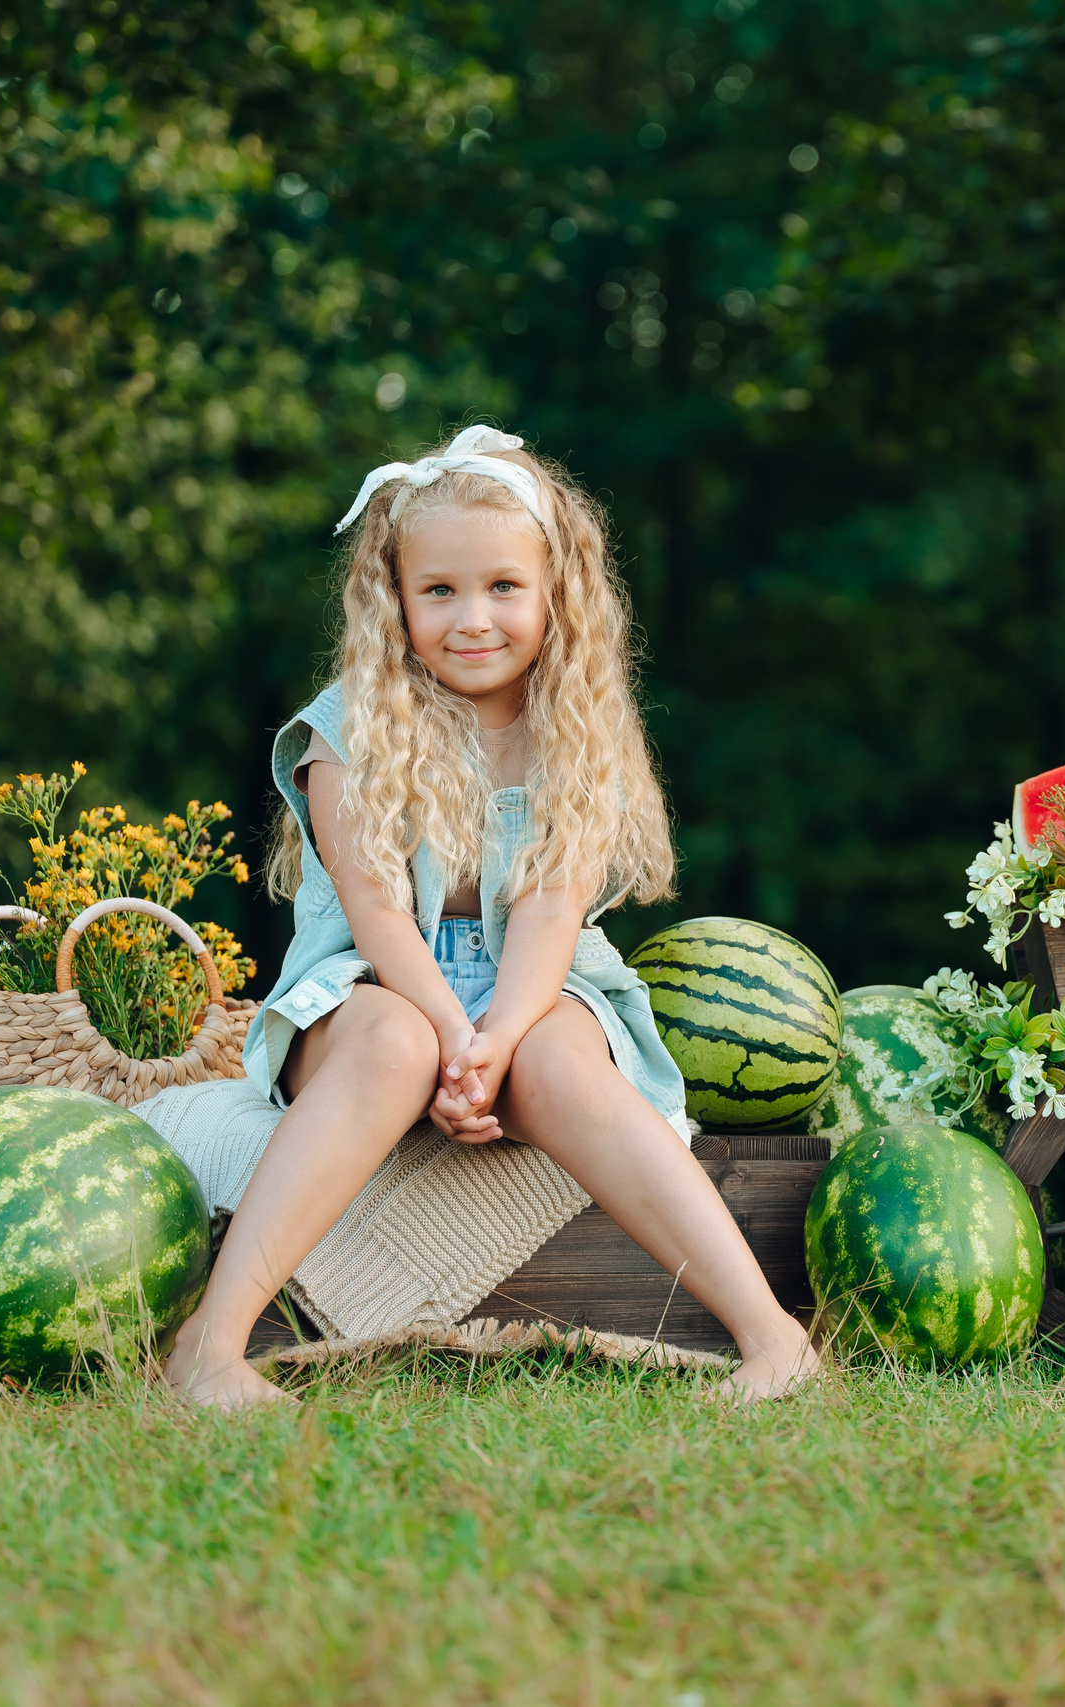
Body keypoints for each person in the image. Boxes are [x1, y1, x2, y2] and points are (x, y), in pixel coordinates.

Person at [163, 425, 820, 1408]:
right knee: (395, 1045)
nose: (472, 619)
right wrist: (446, 1034)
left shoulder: (576, 730)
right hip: (372, 985)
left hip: (537, 981)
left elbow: (551, 915)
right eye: (439, 590)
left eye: (504, 587)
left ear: (557, 592)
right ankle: (210, 1346)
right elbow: (378, 916)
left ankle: (773, 1339)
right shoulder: (349, 731)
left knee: (560, 1063)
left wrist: (499, 1039)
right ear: (394, 598)